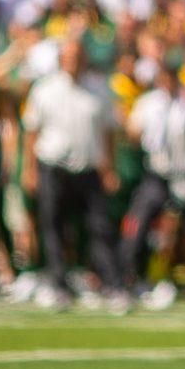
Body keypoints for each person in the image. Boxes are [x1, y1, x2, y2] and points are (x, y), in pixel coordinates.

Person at [20, 38, 127, 311]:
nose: (73, 61)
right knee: (54, 226)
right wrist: (30, 169)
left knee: (100, 227)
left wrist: (109, 167)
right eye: (69, 56)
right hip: (53, 166)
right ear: (61, 60)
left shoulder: (99, 89)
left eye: (78, 56)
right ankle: (59, 285)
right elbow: (32, 132)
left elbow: (108, 132)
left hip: (88, 168)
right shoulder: (44, 90)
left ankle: (113, 285)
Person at [118, 58, 185, 306]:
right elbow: (132, 135)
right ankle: (129, 278)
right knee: (138, 225)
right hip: (158, 174)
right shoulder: (148, 104)